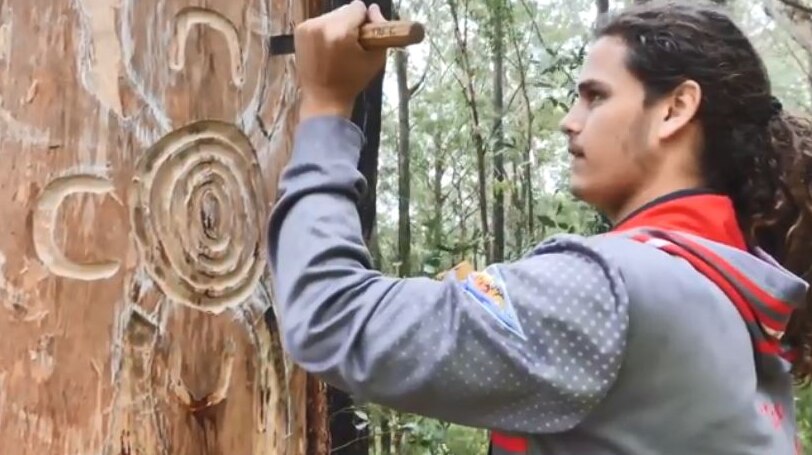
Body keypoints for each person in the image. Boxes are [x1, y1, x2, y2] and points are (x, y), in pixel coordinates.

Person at [266, 0, 812, 453]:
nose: (570, 121)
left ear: (675, 109)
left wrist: (326, 107)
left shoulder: (609, 290)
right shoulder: (739, 300)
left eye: (596, 95)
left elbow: (332, 319)